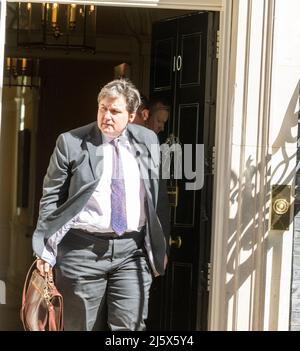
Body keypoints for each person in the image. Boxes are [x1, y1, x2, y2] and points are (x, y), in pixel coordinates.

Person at [32, 79, 170, 331]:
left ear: (132, 115)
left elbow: (157, 196)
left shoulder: (148, 139)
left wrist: (162, 245)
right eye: (102, 108)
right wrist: (44, 247)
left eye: (115, 111)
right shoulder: (71, 142)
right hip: (82, 250)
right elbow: (51, 196)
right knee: (81, 326)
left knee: (129, 326)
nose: (106, 115)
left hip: (132, 251)